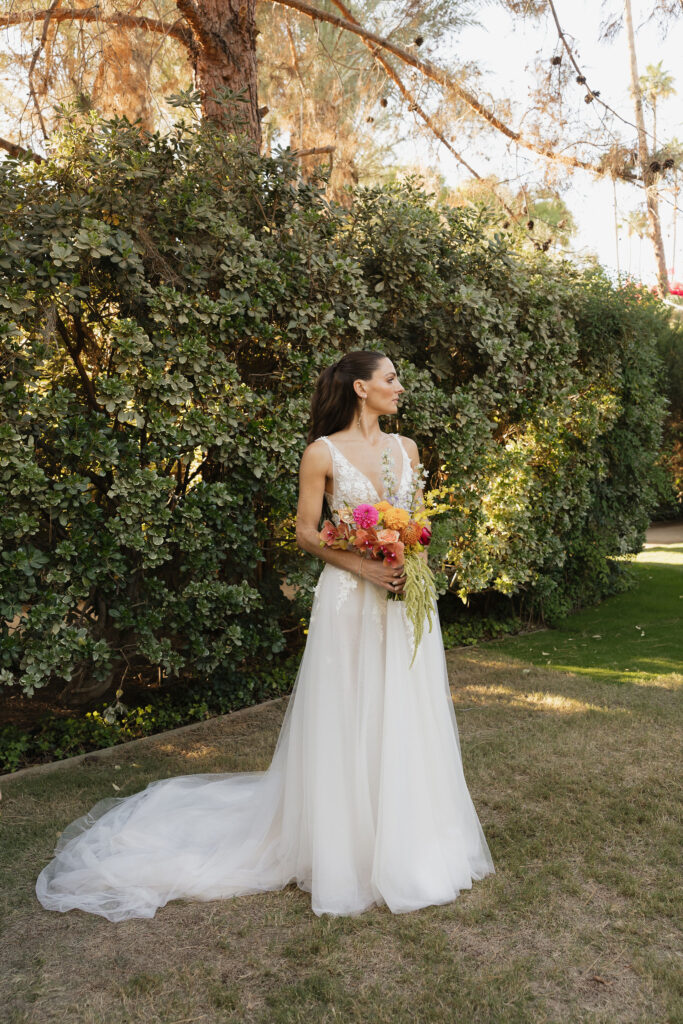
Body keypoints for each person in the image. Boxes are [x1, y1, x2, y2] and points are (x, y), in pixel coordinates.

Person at [35, 350, 495, 922]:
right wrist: (365, 566)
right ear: (360, 387)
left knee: (406, 707)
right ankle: (344, 842)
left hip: (403, 599)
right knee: (348, 707)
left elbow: (417, 521)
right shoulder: (321, 453)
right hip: (351, 597)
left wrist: (408, 558)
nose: (400, 387)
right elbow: (306, 533)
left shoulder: (408, 450)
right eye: (391, 379)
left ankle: (412, 839)